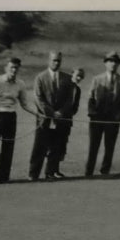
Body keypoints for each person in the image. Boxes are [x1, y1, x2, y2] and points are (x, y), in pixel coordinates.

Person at [85, 50, 120, 177]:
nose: (113, 64)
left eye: (115, 62)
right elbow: (90, 98)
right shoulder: (97, 79)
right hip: (97, 118)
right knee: (93, 146)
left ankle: (105, 170)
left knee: (109, 146)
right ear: (105, 63)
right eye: (110, 61)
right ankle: (88, 172)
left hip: (113, 118)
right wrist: (92, 113)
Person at [28, 51, 74, 180]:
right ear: (49, 61)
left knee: (56, 146)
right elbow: (38, 97)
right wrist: (50, 112)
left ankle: (50, 172)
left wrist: (60, 112)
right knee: (39, 146)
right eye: (54, 60)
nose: (56, 63)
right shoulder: (40, 77)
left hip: (61, 118)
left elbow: (69, 99)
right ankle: (33, 174)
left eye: (58, 60)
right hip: (44, 118)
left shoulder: (67, 78)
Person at [54, 67, 85, 176]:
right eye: (77, 75)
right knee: (55, 145)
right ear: (72, 74)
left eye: (81, 76)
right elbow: (57, 101)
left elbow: (75, 106)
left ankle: (56, 170)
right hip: (58, 120)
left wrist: (71, 114)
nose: (79, 78)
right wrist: (59, 114)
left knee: (62, 145)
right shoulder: (64, 85)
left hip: (67, 120)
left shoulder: (78, 89)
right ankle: (51, 171)